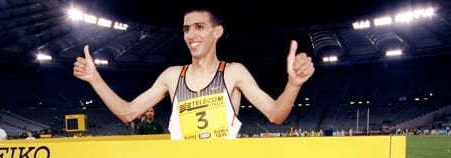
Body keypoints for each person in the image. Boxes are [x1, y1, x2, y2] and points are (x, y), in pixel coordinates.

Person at [72, 4, 314, 140]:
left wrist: (293, 84)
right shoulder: (172, 76)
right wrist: (94, 79)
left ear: (216, 32)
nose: (191, 35)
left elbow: (275, 115)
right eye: (187, 29)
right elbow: (128, 112)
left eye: (199, 27)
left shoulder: (233, 73)